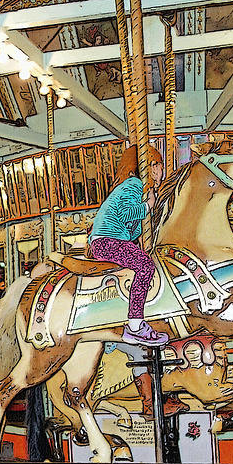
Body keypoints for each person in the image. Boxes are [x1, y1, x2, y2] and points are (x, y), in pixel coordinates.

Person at [88, 146, 168, 347]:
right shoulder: (134, 184)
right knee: (145, 266)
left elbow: (130, 229)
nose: (160, 170)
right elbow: (125, 214)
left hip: (109, 240)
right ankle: (135, 326)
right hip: (107, 241)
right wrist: (148, 206)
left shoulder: (133, 188)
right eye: (156, 165)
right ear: (145, 167)